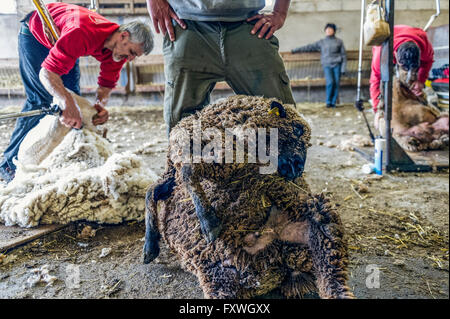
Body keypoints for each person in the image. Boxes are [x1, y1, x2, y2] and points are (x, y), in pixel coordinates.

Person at [0, 3, 153, 183]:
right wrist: (66, 102)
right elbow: (47, 73)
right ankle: (8, 165)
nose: (131, 59)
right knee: (41, 100)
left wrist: (99, 107)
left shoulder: (118, 52)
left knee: (74, 102)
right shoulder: (82, 32)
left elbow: (106, 84)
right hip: (37, 34)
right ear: (123, 36)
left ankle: (64, 157)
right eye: (132, 52)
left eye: (135, 56)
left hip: (63, 39)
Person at [146, 0, 296, 135]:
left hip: (249, 25)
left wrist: (280, 12)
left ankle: (281, 165)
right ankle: (187, 165)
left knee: (280, 116)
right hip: (186, 24)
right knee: (181, 126)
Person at [370, 25, 434, 131]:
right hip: (389, 40)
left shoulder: (424, 44)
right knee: (386, 81)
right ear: (396, 57)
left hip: (413, 35)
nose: (409, 72)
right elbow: (375, 79)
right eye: (405, 67)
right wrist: (377, 110)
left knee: (410, 79)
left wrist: (420, 81)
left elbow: (428, 61)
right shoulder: (381, 53)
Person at [291, 23, 347, 108]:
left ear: (334, 31)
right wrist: (295, 50)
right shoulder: (322, 42)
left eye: (331, 29)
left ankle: (333, 103)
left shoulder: (339, 41)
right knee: (330, 82)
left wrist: (343, 68)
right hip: (327, 65)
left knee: (336, 83)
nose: (328, 31)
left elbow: (343, 55)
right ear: (325, 31)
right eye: (327, 29)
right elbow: (309, 47)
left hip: (337, 64)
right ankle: (328, 102)